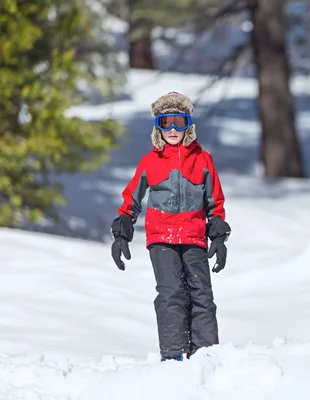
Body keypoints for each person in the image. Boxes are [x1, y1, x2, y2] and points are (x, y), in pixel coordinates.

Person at [110, 91, 231, 361]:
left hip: (194, 237)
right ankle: (174, 353)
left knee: (202, 295)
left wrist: (219, 237)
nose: (173, 130)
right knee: (171, 294)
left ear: (189, 125)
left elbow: (215, 201)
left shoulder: (203, 160)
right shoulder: (150, 162)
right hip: (161, 239)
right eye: (166, 123)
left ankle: (205, 354)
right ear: (158, 127)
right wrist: (122, 232)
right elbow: (131, 199)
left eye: (180, 121)